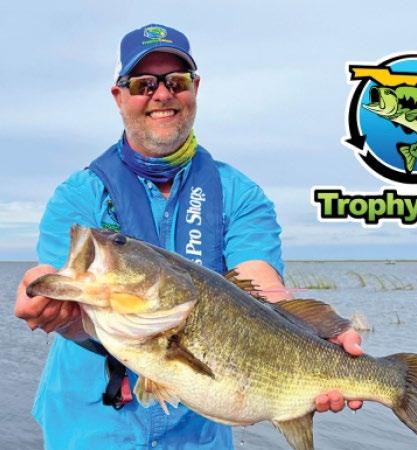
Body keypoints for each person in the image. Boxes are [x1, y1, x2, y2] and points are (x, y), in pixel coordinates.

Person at [14, 24, 363, 449]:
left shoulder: (240, 195)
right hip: (88, 430)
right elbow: (69, 299)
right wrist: (56, 310)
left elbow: (263, 288)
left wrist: (322, 341)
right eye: (143, 84)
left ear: (195, 89)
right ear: (119, 96)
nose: (161, 94)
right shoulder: (79, 195)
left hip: (198, 434)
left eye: (176, 82)